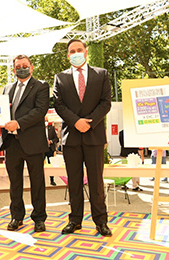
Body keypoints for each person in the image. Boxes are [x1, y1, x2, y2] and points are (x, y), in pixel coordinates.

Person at [53, 39, 112, 236]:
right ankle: (75, 220)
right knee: (74, 182)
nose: (76, 53)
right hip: (71, 137)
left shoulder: (101, 74)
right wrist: (76, 121)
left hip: (94, 135)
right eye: (72, 51)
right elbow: (59, 105)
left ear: (86, 52)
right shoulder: (60, 77)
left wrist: (90, 121)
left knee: (96, 182)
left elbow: (106, 102)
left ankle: (100, 222)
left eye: (79, 49)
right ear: (68, 55)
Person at [0, 54, 49, 232]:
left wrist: (18, 124)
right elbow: (2, 110)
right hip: (11, 142)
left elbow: (40, 111)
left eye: (25, 65)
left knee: (37, 182)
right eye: (18, 66)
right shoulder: (7, 87)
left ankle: (39, 218)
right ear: (13, 69)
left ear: (31, 67)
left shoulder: (41, 86)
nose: (21, 68)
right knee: (15, 183)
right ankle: (16, 217)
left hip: (33, 142)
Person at [44, 116, 59, 186]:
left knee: (51, 165)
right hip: (42, 150)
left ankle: (52, 180)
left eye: (46, 120)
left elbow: (56, 139)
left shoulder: (51, 129)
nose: (45, 122)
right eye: (44, 121)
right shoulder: (39, 129)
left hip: (50, 149)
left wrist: (51, 141)